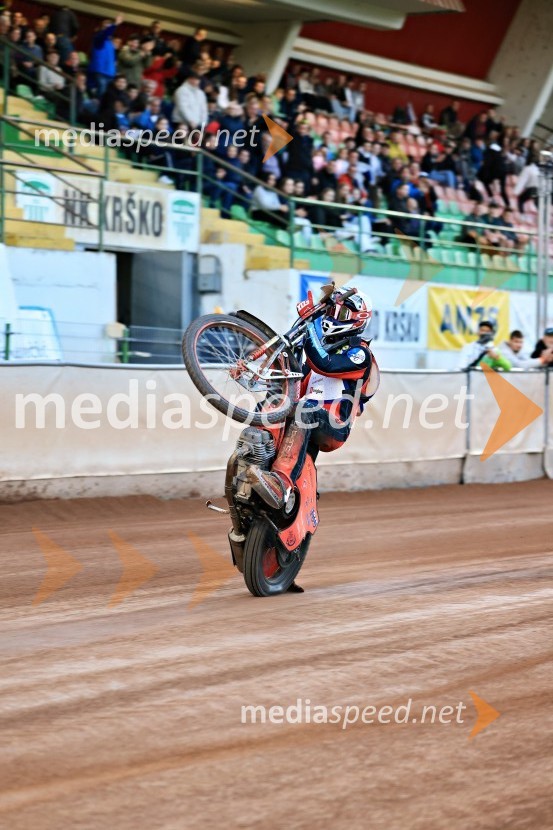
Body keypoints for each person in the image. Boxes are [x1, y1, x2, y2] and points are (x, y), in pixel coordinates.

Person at [246, 286, 379, 509]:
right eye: (331, 312)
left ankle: (281, 484)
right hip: (307, 415)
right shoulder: (317, 357)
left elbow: (325, 364)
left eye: (342, 314)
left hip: (334, 426)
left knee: (304, 409)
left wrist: (309, 325)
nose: (333, 318)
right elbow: (295, 388)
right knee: (274, 404)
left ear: (358, 320)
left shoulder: (359, 353)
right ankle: (255, 455)